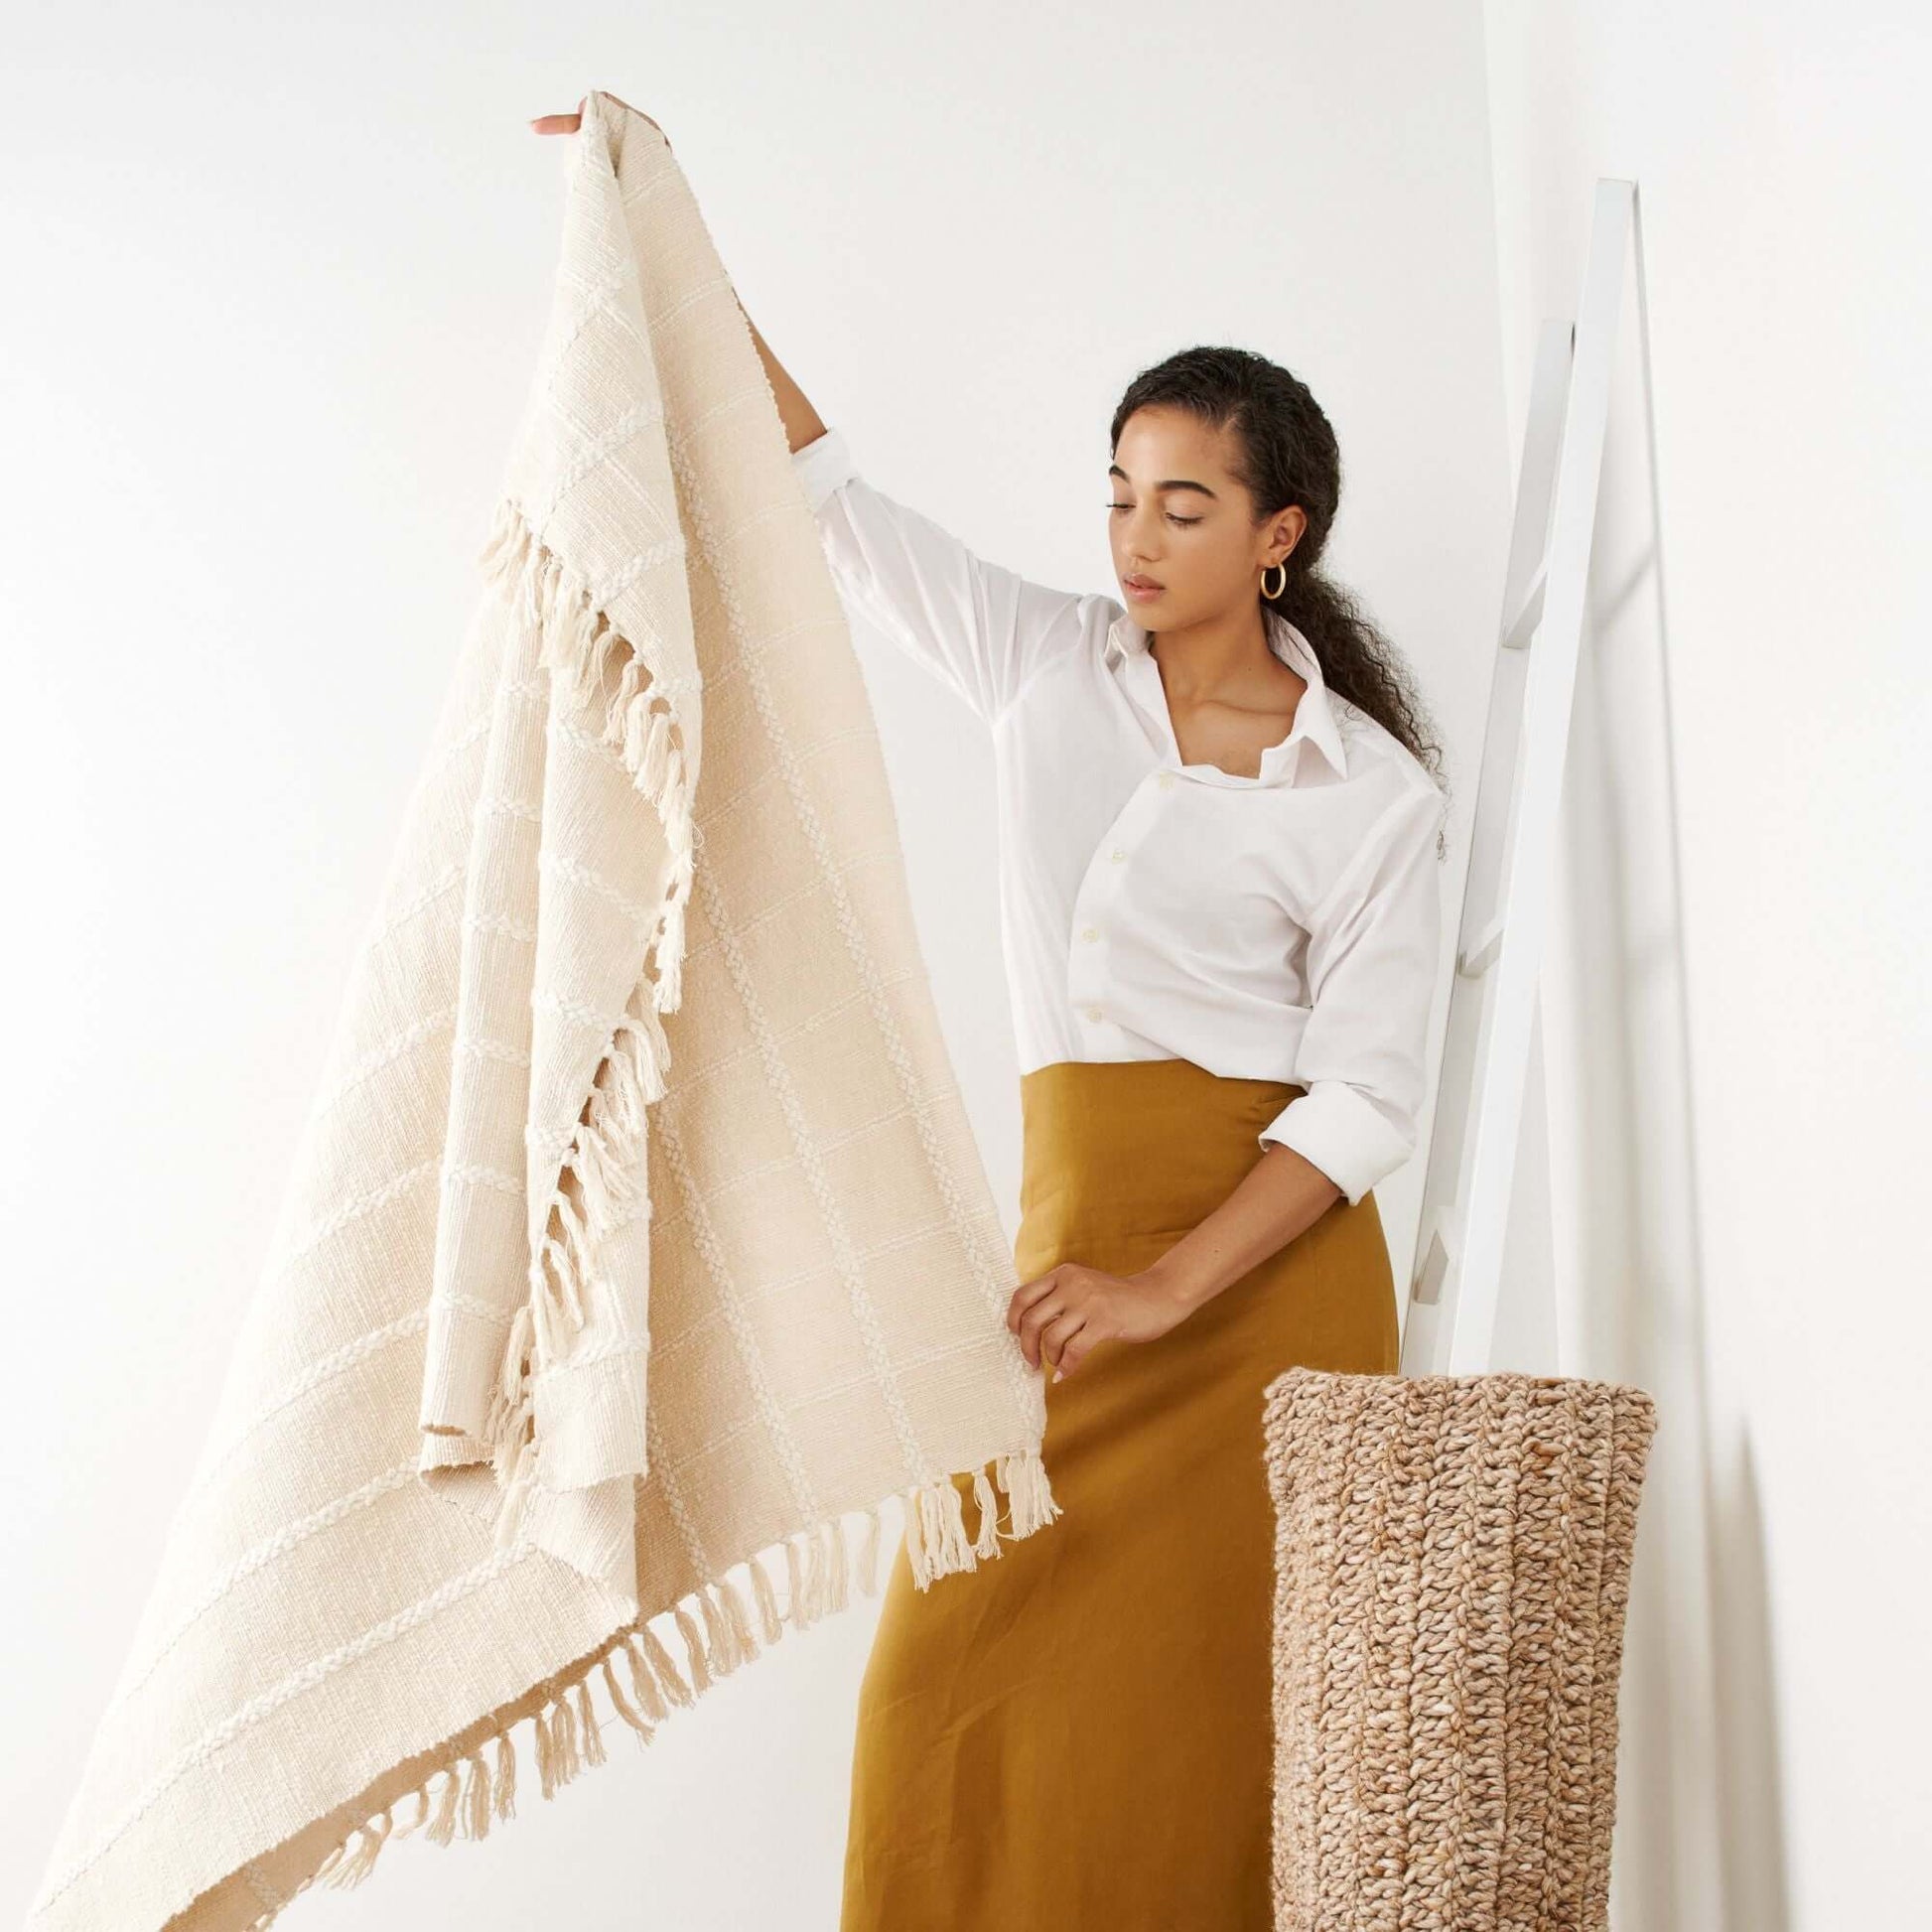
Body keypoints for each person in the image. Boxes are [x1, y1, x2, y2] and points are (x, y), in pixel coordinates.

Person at [536, 99, 1451, 1932]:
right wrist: (663, 215)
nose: (1134, 537)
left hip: (1264, 1292)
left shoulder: (1370, 792)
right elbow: (825, 499)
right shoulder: (1043, 662)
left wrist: (1163, 1289)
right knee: (942, 1682)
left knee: (1215, 1732)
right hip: (1067, 1261)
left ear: (1277, 533)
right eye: (1117, 493)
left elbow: (1364, 1099)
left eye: (1183, 505)